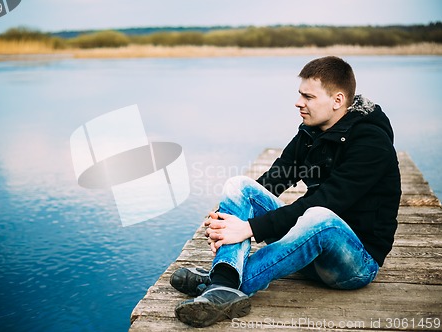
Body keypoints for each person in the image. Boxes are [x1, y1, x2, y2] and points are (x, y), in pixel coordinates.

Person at [169, 56, 402, 328]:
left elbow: (326, 202)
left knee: (318, 216)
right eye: (299, 94)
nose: (298, 102)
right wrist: (224, 221)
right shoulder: (311, 131)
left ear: (337, 100)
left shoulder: (371, 142)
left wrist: (250, 228)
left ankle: (221, 282)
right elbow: (274, 179)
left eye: (308, 96)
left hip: (355, 262)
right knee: (239, 186)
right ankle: (223, 282)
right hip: (308, 251)